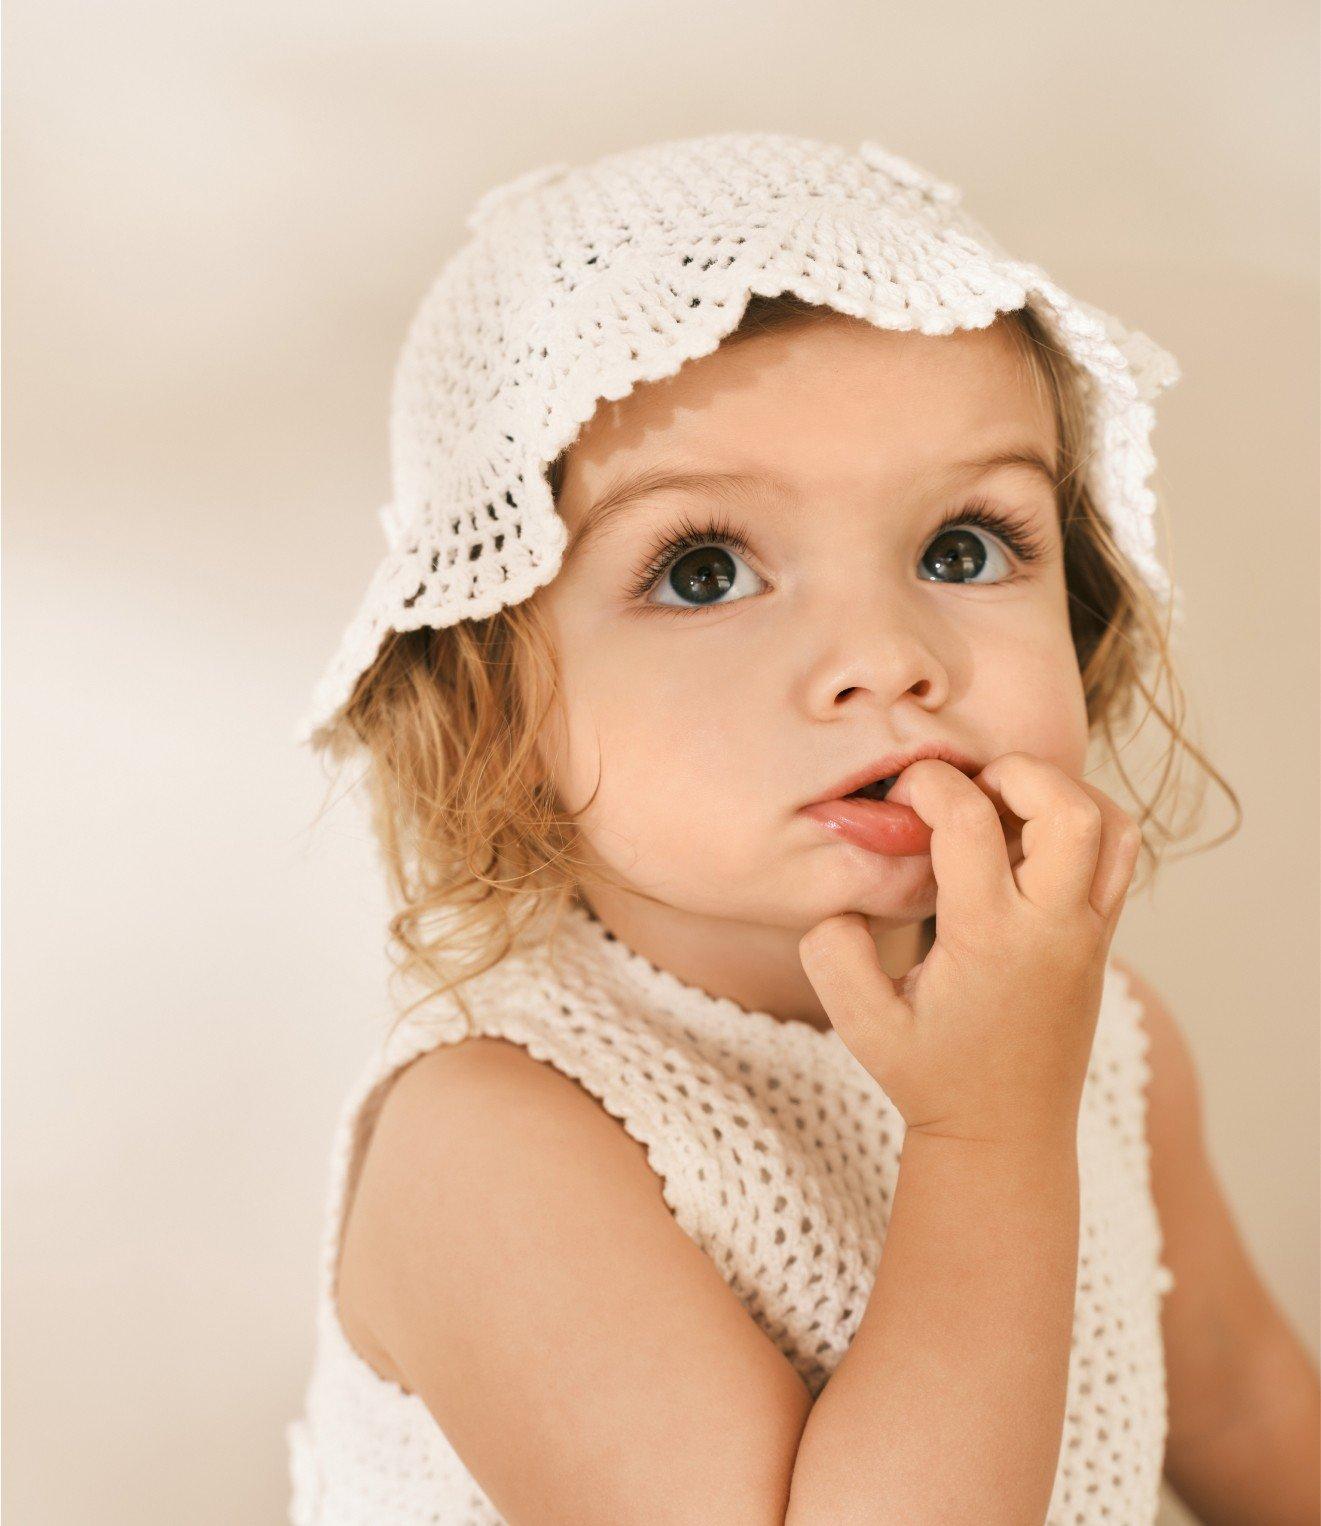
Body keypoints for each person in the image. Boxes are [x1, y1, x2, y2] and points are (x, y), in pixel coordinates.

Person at [284, 133, 1319, 1524]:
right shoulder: (499, 1144)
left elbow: (1242, 1397)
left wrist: (1015, 1092)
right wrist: (986, 1135)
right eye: (704, 571)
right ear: (491, 704)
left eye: (964, 545)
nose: (885, 657)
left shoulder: (1099, 1040)